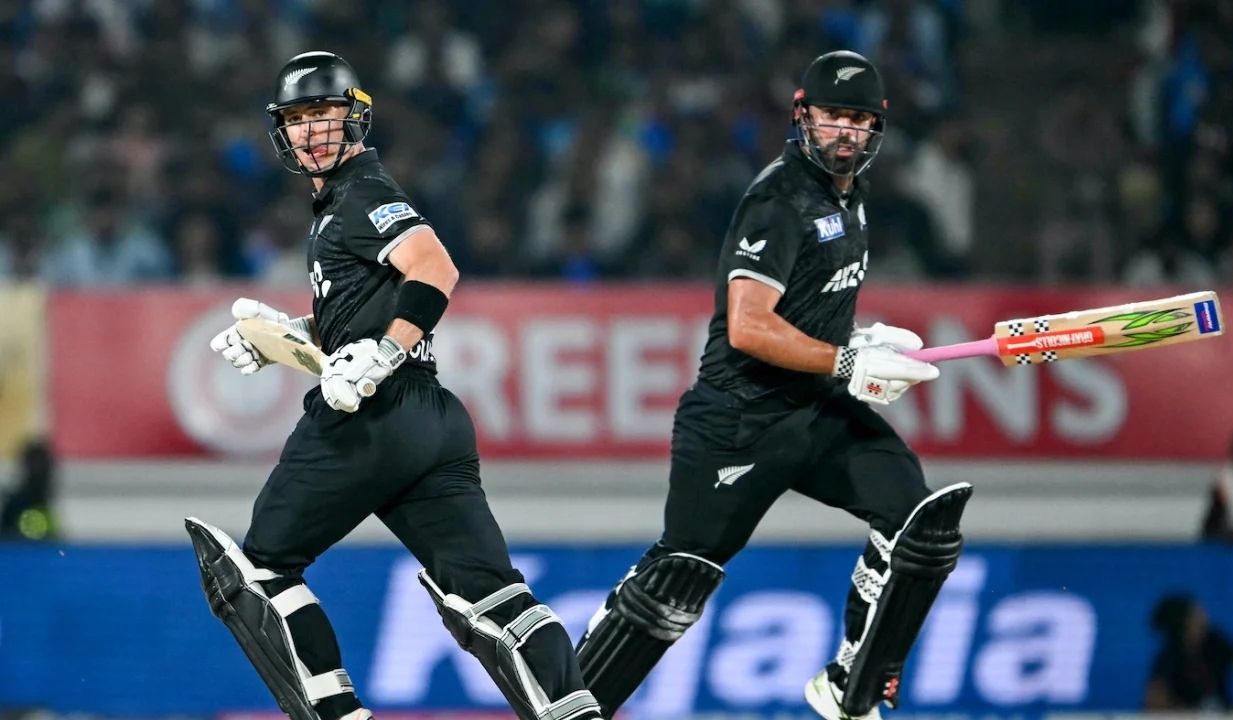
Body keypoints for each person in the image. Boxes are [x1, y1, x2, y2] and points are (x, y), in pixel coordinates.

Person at [186, 51, 604, 720]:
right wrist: (286, 338)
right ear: (281, 131)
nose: (311, 130)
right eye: (297, 118)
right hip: (431, 422)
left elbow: (435, 269)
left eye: (324, 113)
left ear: (355, 117)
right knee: (492, 596)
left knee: (258, 573)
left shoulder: (362, 193)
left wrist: (383, 352)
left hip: (372, 420)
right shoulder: (341, 204)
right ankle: (574, 712)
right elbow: (361, 320)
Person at [573, 51, 970, 720]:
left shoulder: (852, 196)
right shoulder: (778, 201)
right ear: (802, 115)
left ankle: (852, 685)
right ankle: (569, 704)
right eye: (833, 116)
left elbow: (807, 309)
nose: (845, 132)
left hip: (815, 411)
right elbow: (749, 326)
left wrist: (861, 340)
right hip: (738, 421)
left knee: (919, 526)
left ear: (878, 127)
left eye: (859, 120)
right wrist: (846, 361)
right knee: (677, 582)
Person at [1144, 593, 1233, 711]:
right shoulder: (1169, 655)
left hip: (1221, 713)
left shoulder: (1217, 642)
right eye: (1196, 616)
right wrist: (1185, 714)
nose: (1204, 618)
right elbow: (1154, 698)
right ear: (1182, 624)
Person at [0, 438, 58, 541]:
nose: (39, 471)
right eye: (35, 465)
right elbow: (7, 542)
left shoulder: (48, 502)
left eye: (43, 465)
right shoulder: (15, 505)